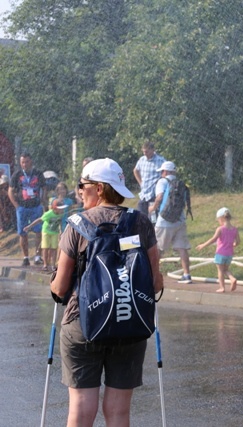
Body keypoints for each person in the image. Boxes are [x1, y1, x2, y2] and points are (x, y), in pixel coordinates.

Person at [50, 158, 163, 426]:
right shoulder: (141, 222)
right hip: (130, 324)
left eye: (83, 186)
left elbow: (61, 287)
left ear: (99, 188)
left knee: (81, 409)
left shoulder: (76, 225)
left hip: (82, 324)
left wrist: (53, 282)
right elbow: (156, 284)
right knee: (118, 412)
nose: (79, 191)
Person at [149, 161, 192, 284]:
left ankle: (152, 276)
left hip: (164, 221)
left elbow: (160, 197)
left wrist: (152, 208)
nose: (161, 174)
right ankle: (187, 275)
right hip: (180, 220)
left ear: (166, 172)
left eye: (162, 171)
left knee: (157, 249)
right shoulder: (181, 184)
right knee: (182, 248)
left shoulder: (162, 182)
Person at [8, 152, 47, 266]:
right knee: (23, 233)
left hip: (36, 207)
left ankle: (37, 256)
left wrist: (42, 200)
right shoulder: (17, 174)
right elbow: (10, 190)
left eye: (27, 162)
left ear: (31, 161)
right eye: (22, 162)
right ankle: (25, 257)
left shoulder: (38, 174)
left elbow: (44, 188)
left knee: (38, 231)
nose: (25, 164)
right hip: (22, 207)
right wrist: (16, 205)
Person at [195, 207, 240, 293]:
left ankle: (222, 287)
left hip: (220, 253)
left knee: (220, 271)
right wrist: (234, 244)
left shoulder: (220, 229)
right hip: (229, 253)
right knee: (226, 269)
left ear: (221, 218)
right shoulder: (235, 229)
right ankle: (232, 278)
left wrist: (203, 245)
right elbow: (238, 241)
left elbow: (213, 239)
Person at [22, 199, 67, 271]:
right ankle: (45, 264)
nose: (63, 210)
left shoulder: (61, 214)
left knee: (54, 249)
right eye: (61, 209)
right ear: (55, 208)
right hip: (46, 232)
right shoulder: (49, 214)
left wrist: (61, 231)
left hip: (55, 233)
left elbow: (60, 222)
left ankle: (53, 265)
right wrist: (29, 226)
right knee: (45, 248)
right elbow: (39, 220)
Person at [133, 141, 165, 216]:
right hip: (144, 195)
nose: (145, 154)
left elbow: (167, 173)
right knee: (141, 218)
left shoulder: (160, 160)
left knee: (152, 219)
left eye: (146, 152)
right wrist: (140, 182)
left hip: (154, 195)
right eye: (143, 152)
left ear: (152, 150)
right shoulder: (142, 160)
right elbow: (135, 170)